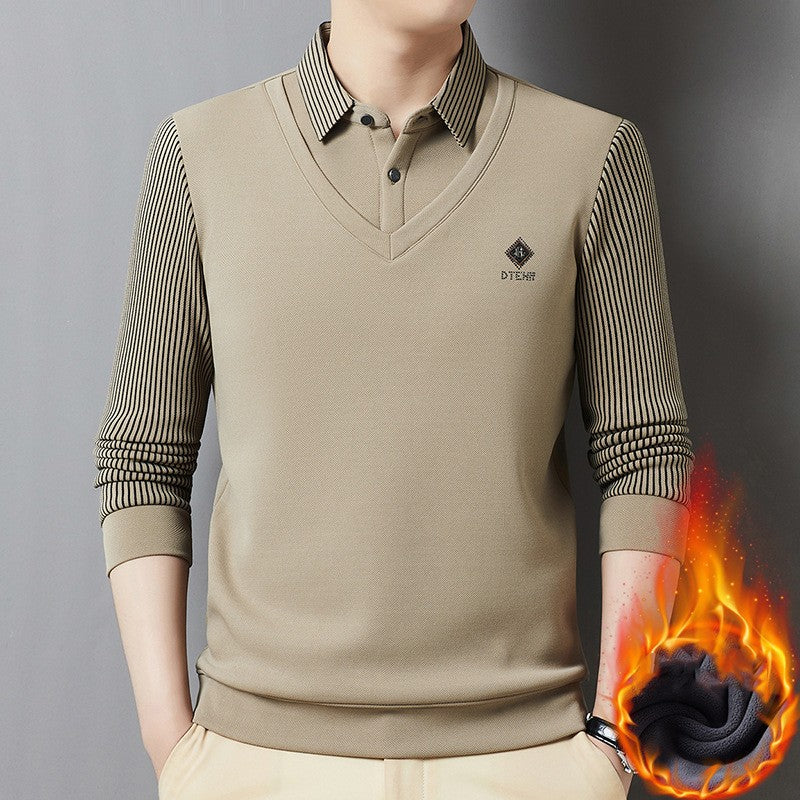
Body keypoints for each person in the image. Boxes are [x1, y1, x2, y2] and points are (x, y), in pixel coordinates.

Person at [92, 1, 695, 798]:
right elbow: (142, 459)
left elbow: (645, 453)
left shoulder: (591, 154)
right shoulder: (200, 153)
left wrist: (613, 737)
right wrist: (172, 741)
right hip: (255, 762)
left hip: (526, 761)